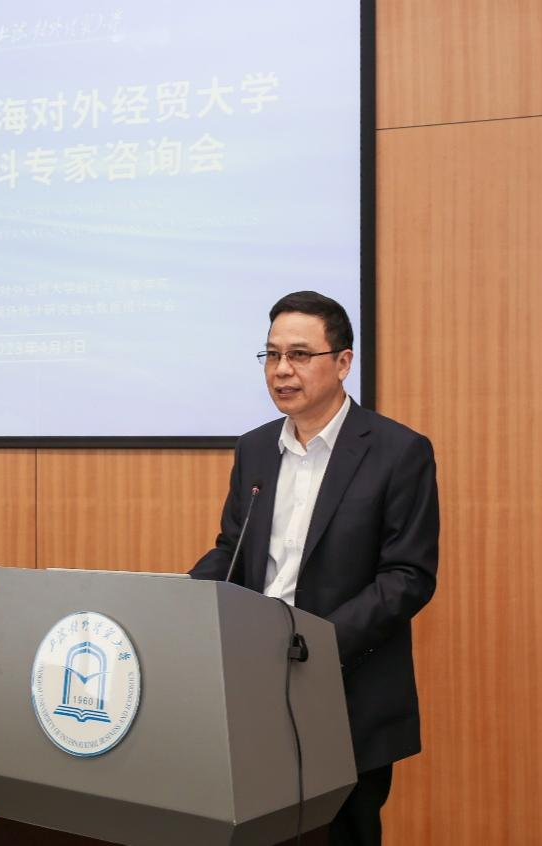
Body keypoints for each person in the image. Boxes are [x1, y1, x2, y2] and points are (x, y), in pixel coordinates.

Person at [189, 291, 439, 846]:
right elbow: (233, 548)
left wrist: (314, 643)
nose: (282, 370)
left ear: (343, 362)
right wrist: (184, 600)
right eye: (272, 355)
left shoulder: (398, 451)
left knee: (341, 834)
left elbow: (408, 577)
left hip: (346, 687)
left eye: (300, 355)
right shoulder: (255, 449)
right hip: (254, 683)